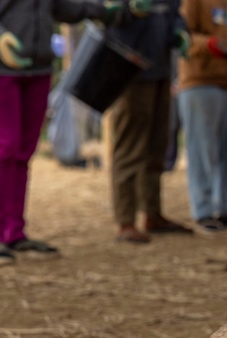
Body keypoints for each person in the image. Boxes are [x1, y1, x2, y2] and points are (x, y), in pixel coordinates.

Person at [0, 0, 132, 264]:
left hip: (39, 68)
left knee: (24, 151)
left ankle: (13, 232)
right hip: (4, 70)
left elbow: (66, 7)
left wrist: (104, 11)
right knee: (5, 147)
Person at [106, 0, 193, 244]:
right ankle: (125, 221)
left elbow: (176, 13)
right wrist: (126, 9)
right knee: (130, 145)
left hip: (161, 67)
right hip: (130, 66)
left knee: (157, 144)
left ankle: (152, 214)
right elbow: (102, 12)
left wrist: (179, 30)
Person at [177, 0, 227, 234]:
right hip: (199, 81)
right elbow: (182, 34)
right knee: (203, 149)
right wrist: (208, 45)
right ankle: (203, 212)